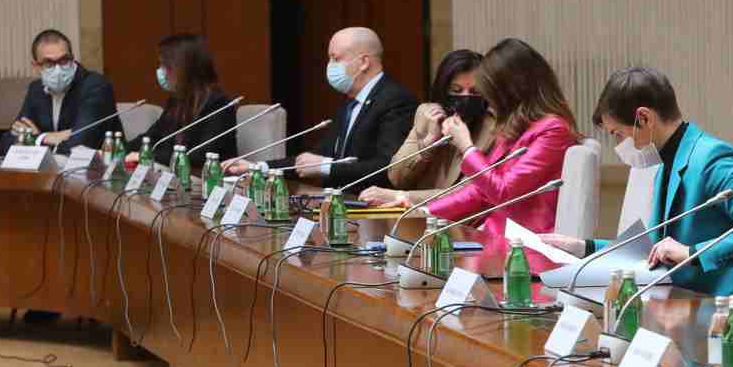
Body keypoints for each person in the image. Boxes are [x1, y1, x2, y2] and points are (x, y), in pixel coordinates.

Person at [542, 66, 733, 296]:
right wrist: (584, 247)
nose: (618, 145)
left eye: (618, 134)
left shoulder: (713, 158)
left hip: (732, 306)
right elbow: (656, 248)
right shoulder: (665, 161)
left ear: (644, 118)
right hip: (684, 301)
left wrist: (693, 253)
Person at [417, 38, 578, 236]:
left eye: (490, 93)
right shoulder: (515, 125)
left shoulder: (552, 130)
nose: (487, 101)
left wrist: (467, 147)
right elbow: (481, 192)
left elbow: (504, 192)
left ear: (510, 91)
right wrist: (424, 213)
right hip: (493, 233)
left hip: (523, 241)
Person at [224, 27, 415, 189]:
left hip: (372, 208)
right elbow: (315, 158)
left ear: (364, 62)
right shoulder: (352, 102)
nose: (330, 66)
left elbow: (388, 166)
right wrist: (258, 168)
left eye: (336, 58)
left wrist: (325, 166)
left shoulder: (395, 100)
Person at [357, 49, 495, 208]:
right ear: (443, 91)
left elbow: (466, 194)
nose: (465, 97)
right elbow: (396, 177)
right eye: (456, 91)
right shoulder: (427, 115)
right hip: (418, 216)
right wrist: (427, 145)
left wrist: (401, 196)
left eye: (474, 92)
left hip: (460, 218)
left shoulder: (492, 130)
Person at [0, 29, 117, 154]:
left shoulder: (96, 86)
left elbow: (81, 143)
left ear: (72, 58)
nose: (58, 69)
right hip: (51, 165)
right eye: (48, 63)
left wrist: (37, 139)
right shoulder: (36, 89)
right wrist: (46, 138)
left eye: (64, 60)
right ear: (36, 67)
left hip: (99, 164)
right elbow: (9, 139)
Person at [130, 34, 237, 168]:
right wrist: (120, 149)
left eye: (164, 65)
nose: (161, 72)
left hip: (206, 177)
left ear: (182, 68)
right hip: (174, 174)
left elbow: (200, 156)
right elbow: (152, 136)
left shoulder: (219, 105)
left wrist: (147, 156)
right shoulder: (177, 101)